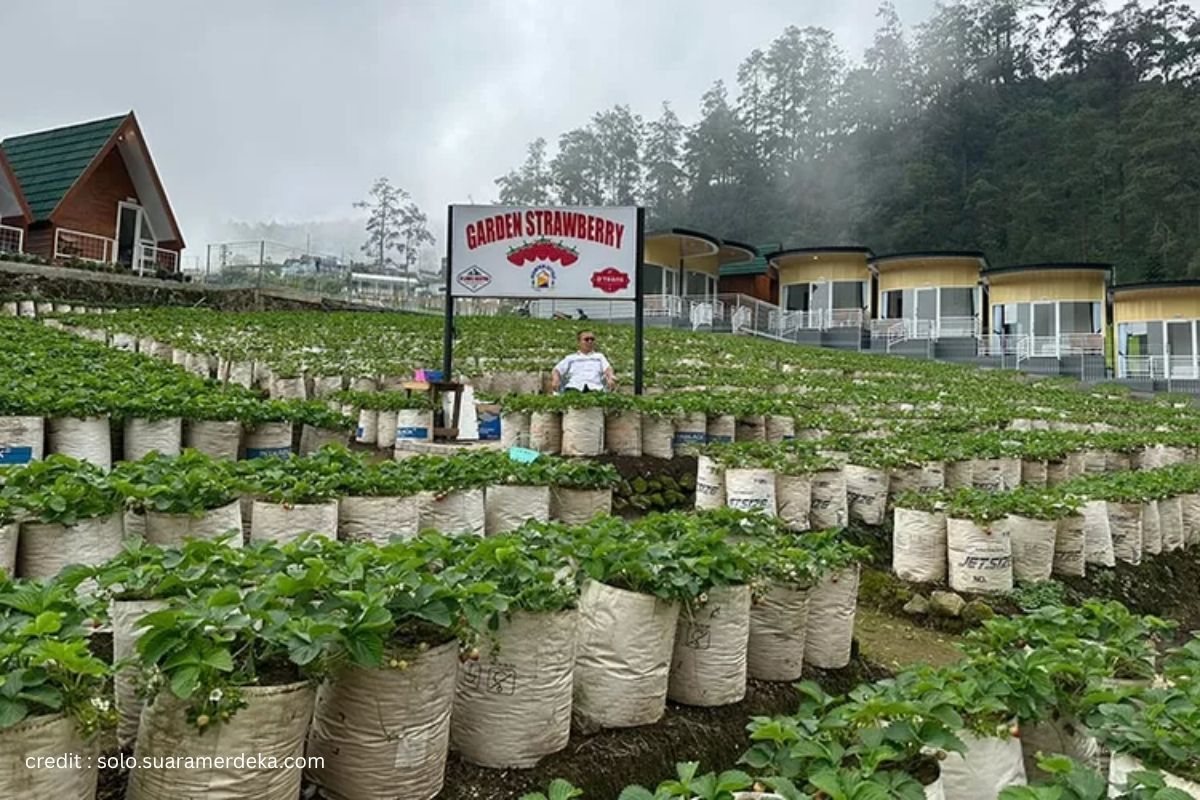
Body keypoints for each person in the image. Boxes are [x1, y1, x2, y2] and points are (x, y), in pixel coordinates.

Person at [551, 330, 616, 393]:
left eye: (592, 339)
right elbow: (557, 370)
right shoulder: (571, 358)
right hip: (574, 387)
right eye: (586, 339)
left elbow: (608, 369)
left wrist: (610, 376)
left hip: (595, 388)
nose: (590, 341)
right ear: (579, 342)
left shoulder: (599, 357)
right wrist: (556, 379)